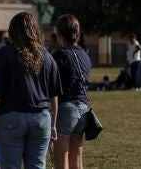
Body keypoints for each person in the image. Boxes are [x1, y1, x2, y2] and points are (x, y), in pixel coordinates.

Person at [0, 12, 61, 169]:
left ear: (12, 31)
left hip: (11, 117)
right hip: (41, 118)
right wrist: (53, 125)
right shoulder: (47, 57)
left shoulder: (4, 55)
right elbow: (54, 95)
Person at [51, 14, 92, 169]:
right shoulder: (85, 55)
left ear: (60, 35)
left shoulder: (59, 55)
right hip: (83, 109)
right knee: (77, 161)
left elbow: (52, 86)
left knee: (61, 161)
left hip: (66, 109)